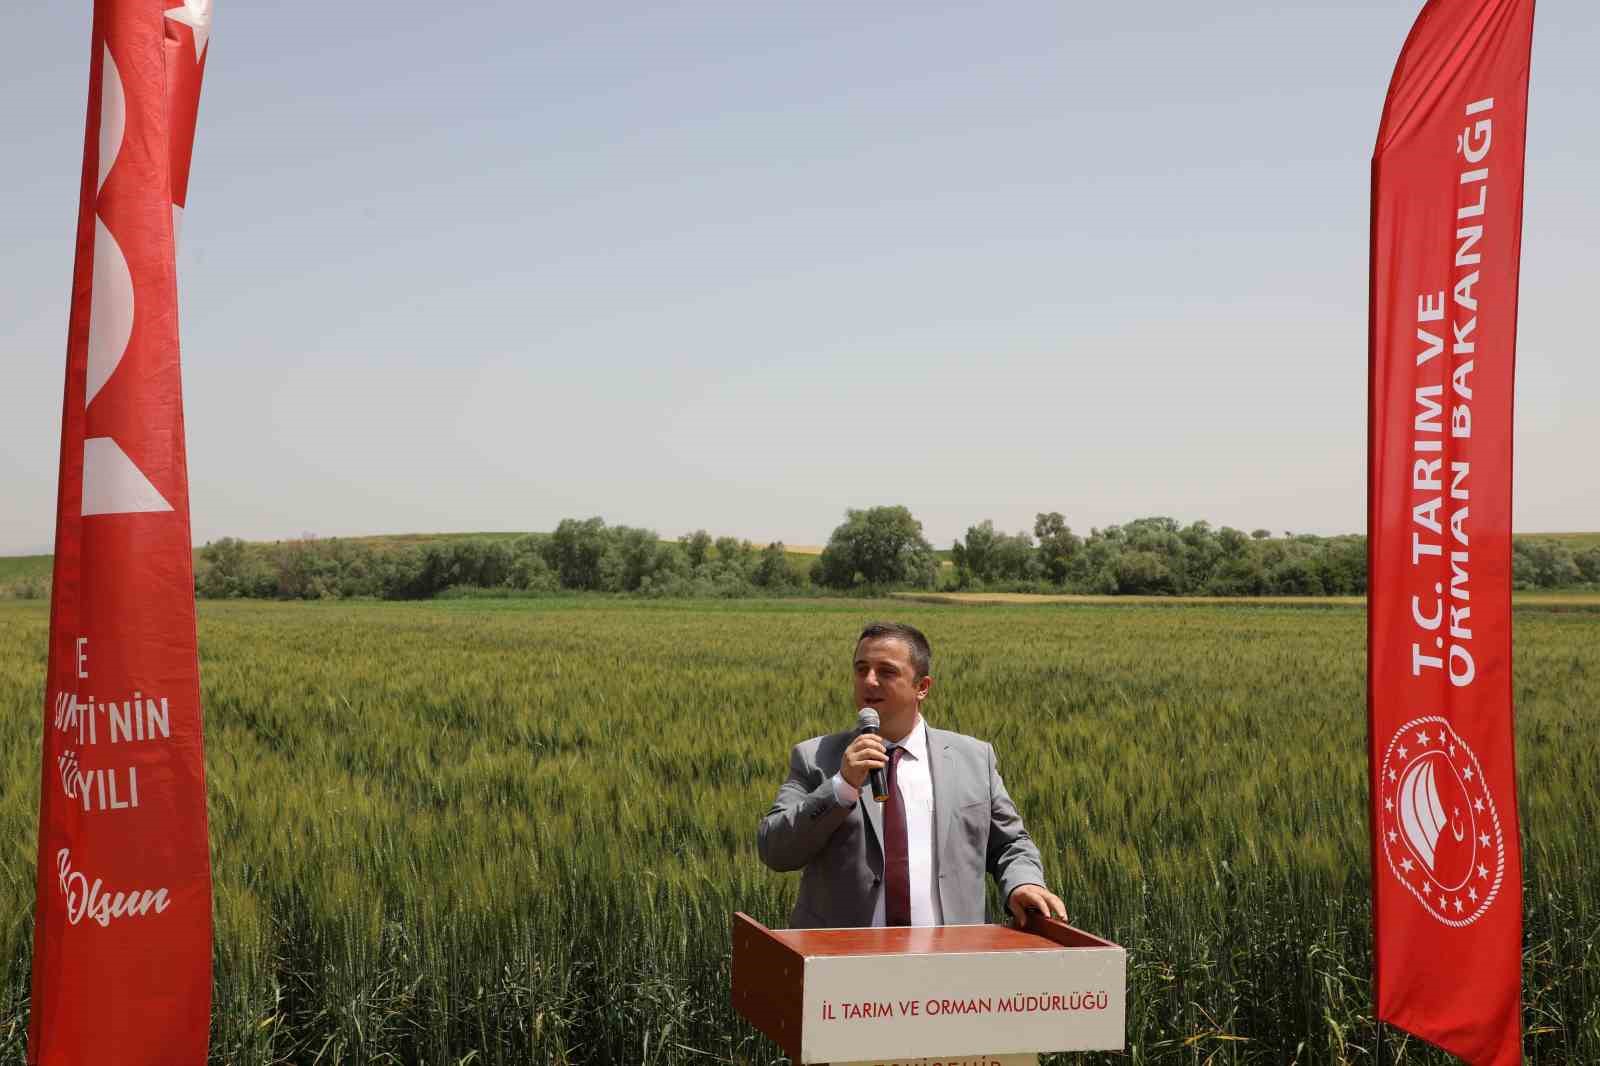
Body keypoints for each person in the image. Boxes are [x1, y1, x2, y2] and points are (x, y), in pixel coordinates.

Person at [757, 621, 1066, 929]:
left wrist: (1023, 883)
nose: (869, 681)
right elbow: (775, 849)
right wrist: (841, 786)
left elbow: (1010, 843)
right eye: (861, 669)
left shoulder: (974, 759)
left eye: (886, 671)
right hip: (844, 960)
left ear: (922, 687)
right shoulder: (815, 758)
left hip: (949, 959)